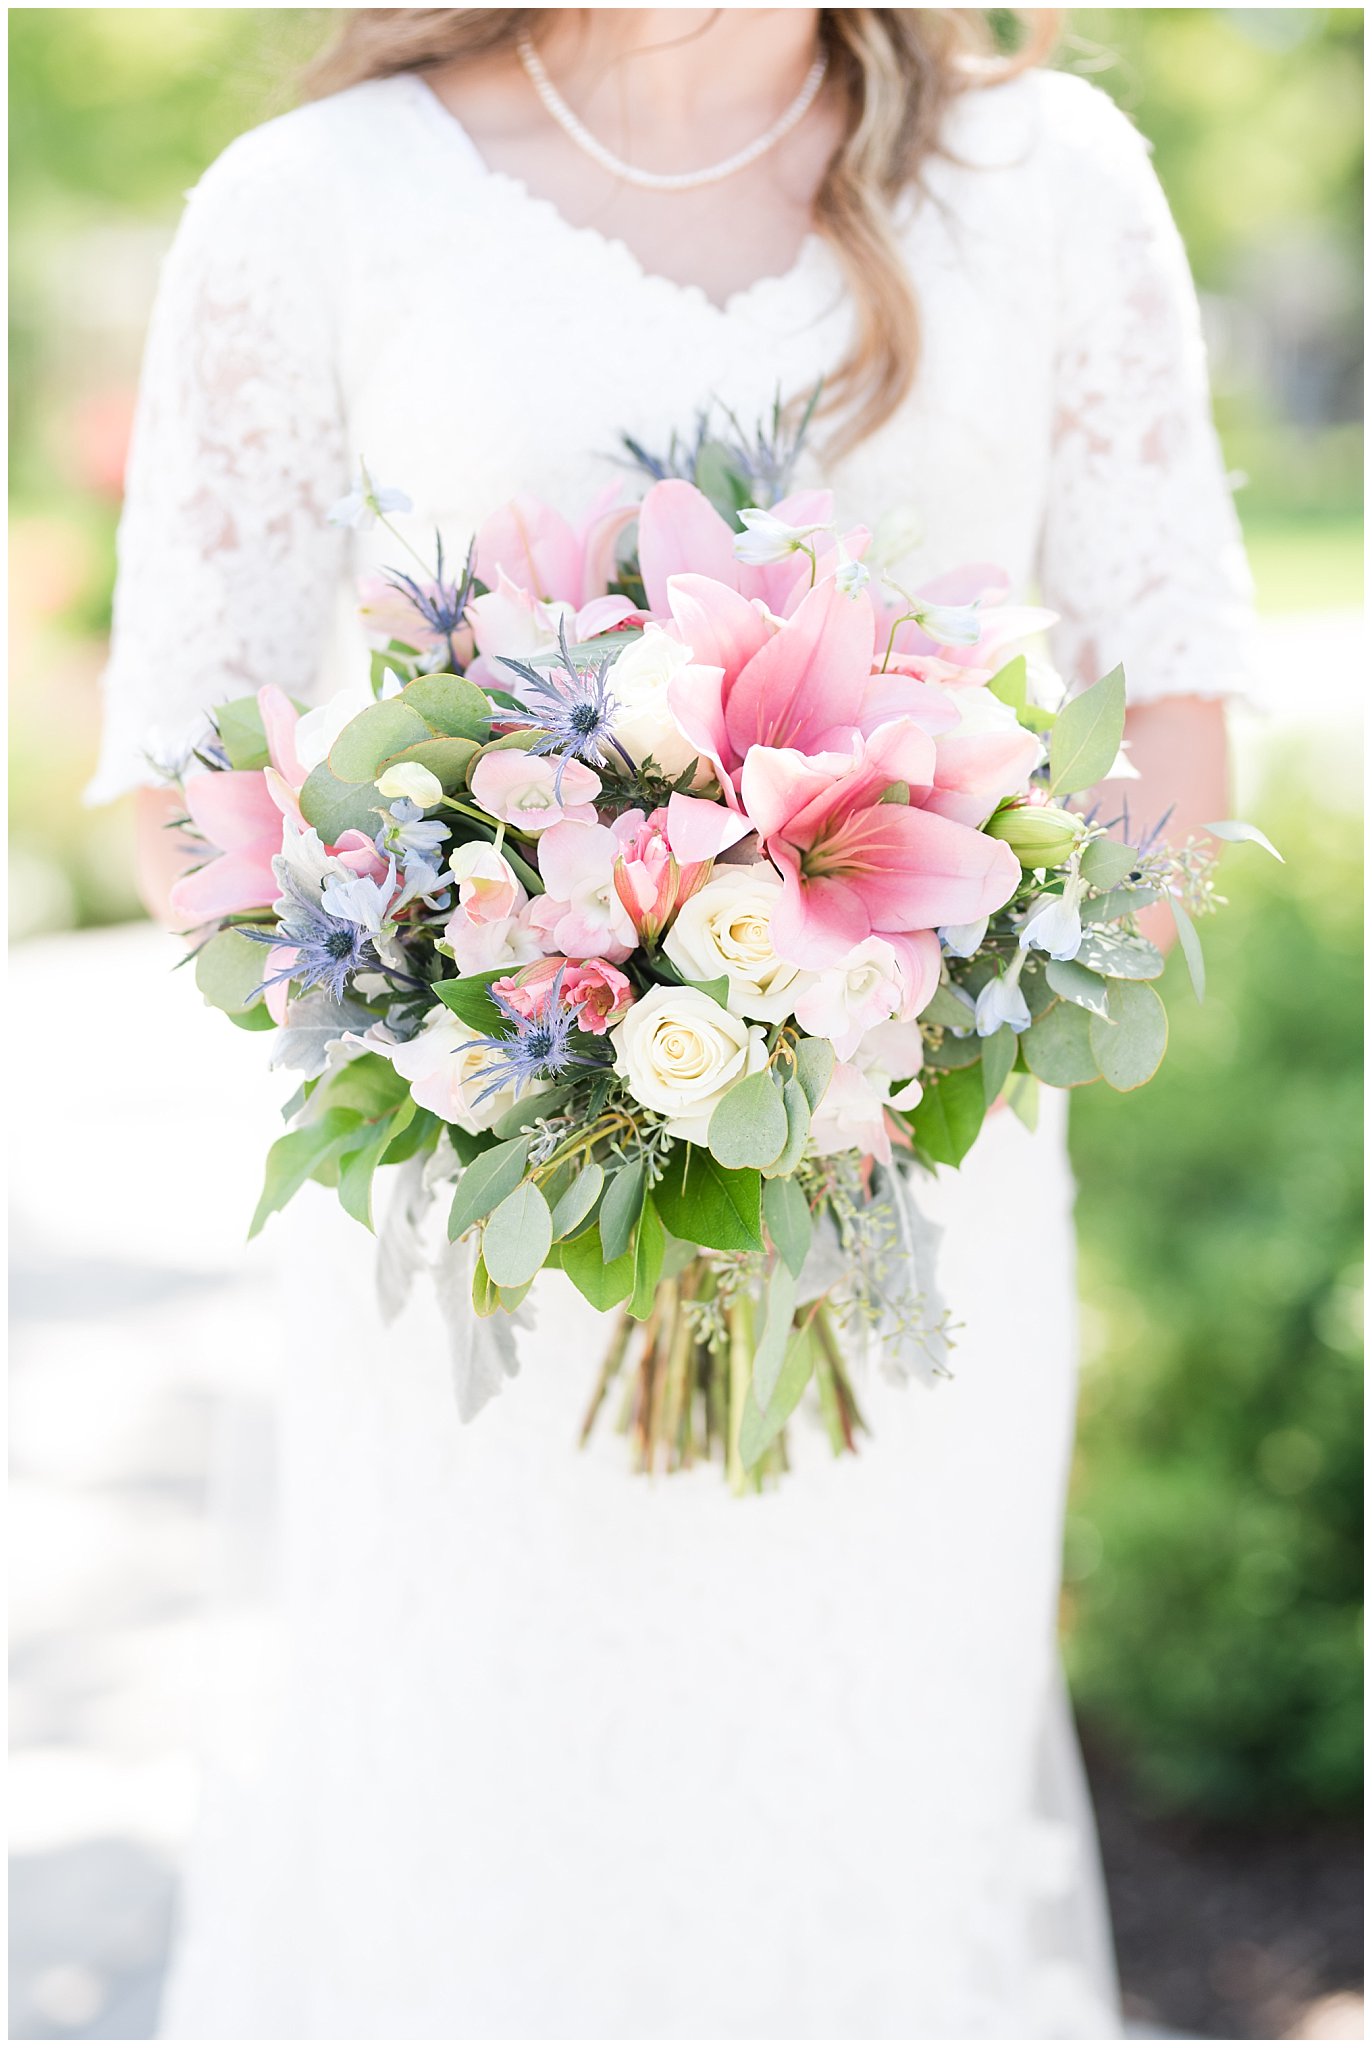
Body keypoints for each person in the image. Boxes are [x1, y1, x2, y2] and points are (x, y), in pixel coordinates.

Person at [94, 10, 1250, 2036]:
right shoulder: (321, 202)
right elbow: (186, 767)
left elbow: (1169, 720)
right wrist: (467, 1023)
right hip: (493, 1214)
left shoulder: (1046, 178)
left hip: (919, 1200)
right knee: (487, 1831)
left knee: (865, 1811)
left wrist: (926, 1017)